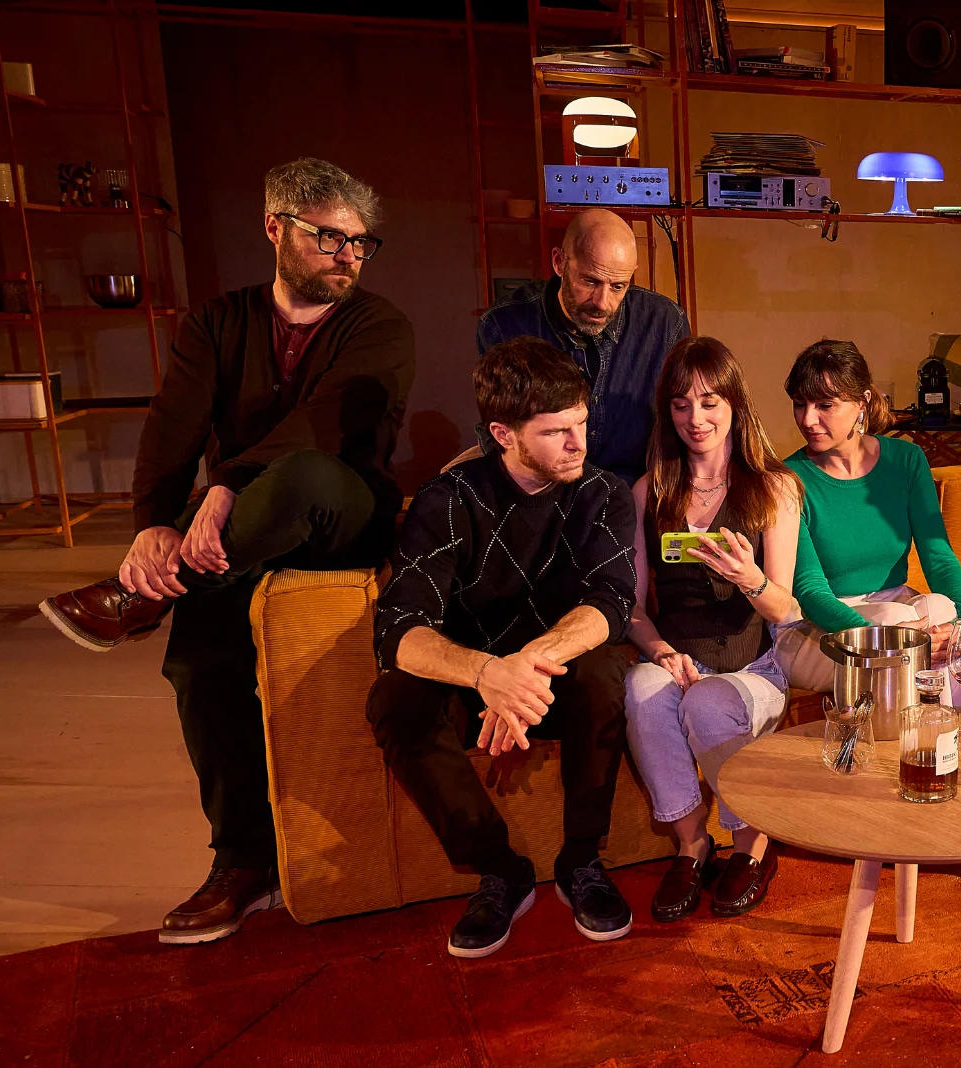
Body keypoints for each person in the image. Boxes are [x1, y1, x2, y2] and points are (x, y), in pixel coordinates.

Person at [38, 158, 414, 945]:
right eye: (329, 238)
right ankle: (243, 862)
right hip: (234, 544)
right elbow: (172, 426)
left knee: (301, 475)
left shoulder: (380, 325)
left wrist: (227, 486)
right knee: (197, 663)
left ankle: (141, 596)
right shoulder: (215, 322)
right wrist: (152, 523)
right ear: (275, 227)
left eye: (360, 243)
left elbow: (326, 429)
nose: (348, 256)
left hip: (340, 514)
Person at [366, 337, 638, 959]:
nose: (577, 443)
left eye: (581, 424)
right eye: (556, 431)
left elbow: (612, 603)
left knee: (602, 670)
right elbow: (398, 628)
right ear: (503, 434)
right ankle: (501, 869)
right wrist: (488, 673)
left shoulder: (603, 493)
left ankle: (581, 860)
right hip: (474, 689)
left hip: (554, 684)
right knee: (394, 698)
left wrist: (521, 670)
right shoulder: (447, 499)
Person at [623, 337, 803, 923]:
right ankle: (693, 845)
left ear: (734, 405)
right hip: (678, 656)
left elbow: (784, 608)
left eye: (709, 402)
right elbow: (633, 608)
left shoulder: (772, 486)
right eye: (681, 405)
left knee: (706, 703)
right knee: (642, 688)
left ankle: (752, 843)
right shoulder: (650, 491)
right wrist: (659, 651)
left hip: (752, 666)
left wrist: (750, 578)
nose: (695, 419)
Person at [776, 339, 961, 691]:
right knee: (894, 621)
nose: (808, 419)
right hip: (818, 628)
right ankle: (925, 725)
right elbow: (809, 590)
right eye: (799, 404)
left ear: (862, 402)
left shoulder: (906, 460)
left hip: (894, 605)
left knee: (942, 609)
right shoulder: (787, 478)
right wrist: (880, 638)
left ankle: (943, 726)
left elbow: (939, 557)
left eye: (825, 405)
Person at [475, 207, 689, 486]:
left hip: (639, 487)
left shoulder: (665, 322)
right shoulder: (505, 323)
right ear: (559, 262)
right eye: (590, 281)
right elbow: (501, 433)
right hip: (546, 486)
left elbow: (686, 420)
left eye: (618, 286)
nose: (602, 303)